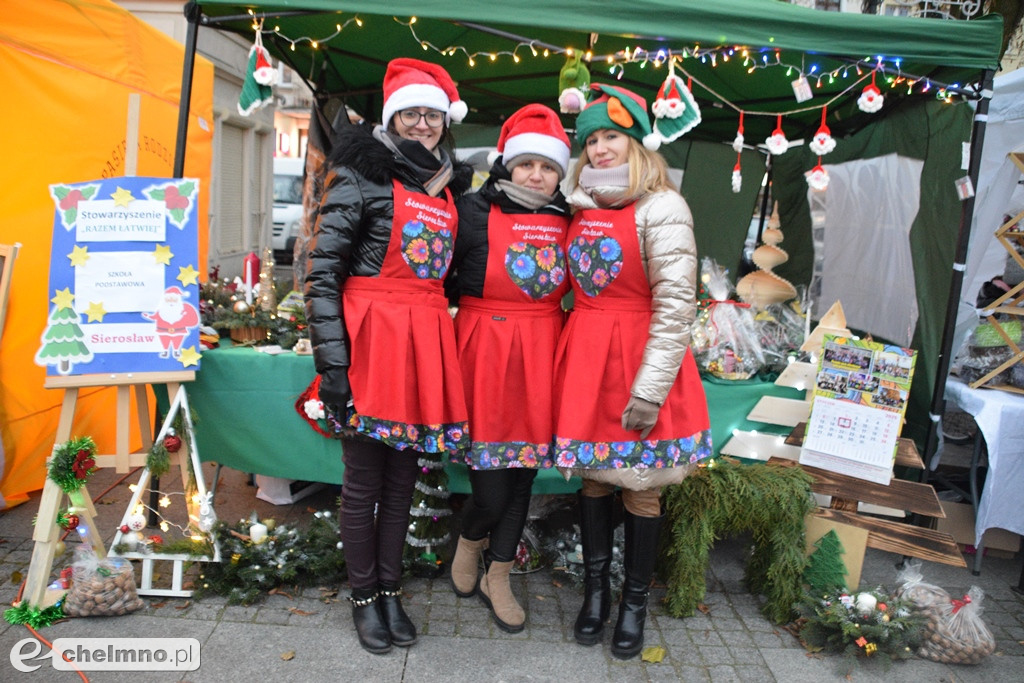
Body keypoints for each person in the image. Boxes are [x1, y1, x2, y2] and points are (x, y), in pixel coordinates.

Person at [304, 57, 473, 655]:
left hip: (422, 341)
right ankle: (362, 596)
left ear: (443, 121)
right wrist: (334, 365)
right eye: (411, 113)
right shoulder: (358, 174)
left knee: (404, 481)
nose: (422, 124)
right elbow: (321, 276)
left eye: (432, 114)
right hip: (369, 340)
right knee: (363, 482)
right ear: (393, 118)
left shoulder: (448, 188)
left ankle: (390, 589)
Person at [553, 84, 713, 659]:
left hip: (639, 360)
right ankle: (595, 595)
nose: (599, 150)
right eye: (590, 140)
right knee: (595, 480)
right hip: (588, 356)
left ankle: (634, 605)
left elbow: (676, 307)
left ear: (637, 145)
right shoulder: (580, 207)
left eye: (610, 137)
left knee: (640, 488)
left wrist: (649, 390)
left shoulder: (663, 206)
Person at [447, 104, 572, 632]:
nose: (536, 175)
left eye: (547, 168)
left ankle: (499, 573)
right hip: (484, 347)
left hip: (543, 346)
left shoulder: (572, 218)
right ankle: (468, 542)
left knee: (522, 477)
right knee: (490, 485)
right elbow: (445, 280)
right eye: (526, 165)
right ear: (507, 166)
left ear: (560, 174)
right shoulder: (472, 210)